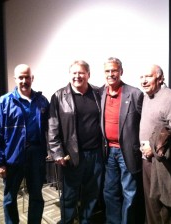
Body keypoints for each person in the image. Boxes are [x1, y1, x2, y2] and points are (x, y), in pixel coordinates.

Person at [0, 64, 49, 224]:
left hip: (36, 155)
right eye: (21, 77)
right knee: (9, 198)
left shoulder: (42, 102)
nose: (24, 80)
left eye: (27, 77)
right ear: (15, 79)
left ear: (32, 78)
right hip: (12, 156)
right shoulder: (3, 103)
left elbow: (51, 129)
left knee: (36, 196)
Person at [48, 60, 103, 224]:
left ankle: (86, 220)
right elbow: (52, 126)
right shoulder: (59, 96)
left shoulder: (98, 93)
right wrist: (56, 151)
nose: (77, 76)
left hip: (96, 154)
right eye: (74, 73)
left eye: (81, 73)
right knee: (70, 194)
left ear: (88, 74)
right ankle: (67, 221)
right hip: (72, 155)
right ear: (70, 74)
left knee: (92, 193)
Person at [139, 64, 171, 224]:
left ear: (160, 78)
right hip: (148, 162)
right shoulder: (148, 97)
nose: (143, 81)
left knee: (166, 211)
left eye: (148, 76)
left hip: (164, 165)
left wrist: (154, 149)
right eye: (141, 77)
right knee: (152, 208)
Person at [100, 57, 145, 224]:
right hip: (108, 152)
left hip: (127, 152)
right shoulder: (101, 93)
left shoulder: (134, 93)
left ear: (121, 72)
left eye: (114, 70)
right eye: (107, 71)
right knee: (109, 192)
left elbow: (145, 121)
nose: (111, 74)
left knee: (129, 192)